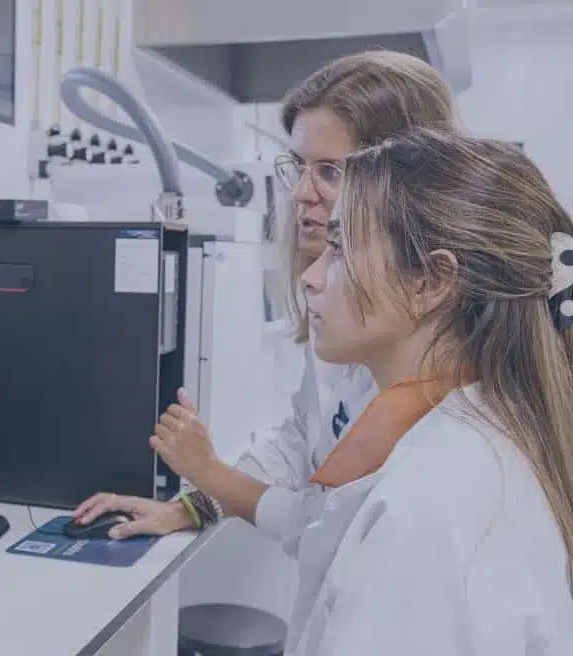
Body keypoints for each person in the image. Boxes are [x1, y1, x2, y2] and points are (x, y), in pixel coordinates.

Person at [157, 129, 573, 653]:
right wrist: (208, 484)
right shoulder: (473, 433)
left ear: (429, 281)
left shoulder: (432, 507)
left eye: (337, 248)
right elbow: (321, 517)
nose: (309, 277)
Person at [73, 50, 459, 545]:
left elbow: (326, 528)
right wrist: (197, 501)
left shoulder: (439, 402)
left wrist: (210, 473)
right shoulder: (350, 321)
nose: (301, 193)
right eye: (299, 166)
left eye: (329, 171)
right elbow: (304, 440)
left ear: (408, 184)